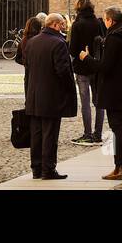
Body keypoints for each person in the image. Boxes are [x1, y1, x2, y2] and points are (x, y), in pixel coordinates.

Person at [80, 6, 122, 181]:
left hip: (115, 90)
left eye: (105, 20)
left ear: (111, 20)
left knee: (118, 128)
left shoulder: (114, 38)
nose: (104, 23)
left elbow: (105, 67)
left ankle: (120, 167)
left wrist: (87, 58)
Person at [23, 12, 76, 180]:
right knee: (50, 134)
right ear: (54, 24)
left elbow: (28, 69)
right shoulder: (58, 43)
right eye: (61, 25)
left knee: (37, 134)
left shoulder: (31, 42)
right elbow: (63, 71)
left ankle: (36, 169)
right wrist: (69, 89)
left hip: (33, 95)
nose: (63, 27)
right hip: (52, 96)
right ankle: (48, 169)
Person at [68, 0, 106, 145]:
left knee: (85, 102)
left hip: (82, 68)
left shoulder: (77, 25)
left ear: (78, 9)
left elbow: (72, 49)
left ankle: (87, 133)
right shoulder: (99, 23)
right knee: (99, 102)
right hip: (97, 67)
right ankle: (98, 133)